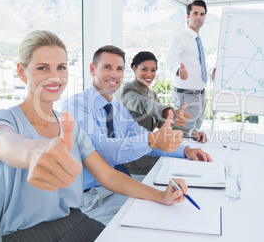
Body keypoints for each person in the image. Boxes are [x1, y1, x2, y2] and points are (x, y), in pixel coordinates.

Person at [0, 30, 188, 241]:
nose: (54, 76)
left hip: (75, 221)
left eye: (61, 67)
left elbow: (108, 175)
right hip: (30, 234)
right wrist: (34, 152)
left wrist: (161, 196)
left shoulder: (69, 124)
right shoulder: (4, 119)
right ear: (22, 72)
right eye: (43, 68)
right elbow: (3, 143)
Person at [61, 45, 212, 225]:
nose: (114, 74)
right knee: (163, 219)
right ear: (93, 69)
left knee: (182, 204)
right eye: (107, 67)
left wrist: (185, 150)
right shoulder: (77, 106)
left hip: (120, 184)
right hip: (94, 196)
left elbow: (143, 136)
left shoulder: (117, 109)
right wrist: (152, 140)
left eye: (119, 69)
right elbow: (99, 149)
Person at [121, 51, 208, 174]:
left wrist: (191, 132)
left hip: (149, 149)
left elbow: (163, 124)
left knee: (185, 160)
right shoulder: (128, 90)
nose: (149, 74)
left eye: (153, 70)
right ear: (134, 69)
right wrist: (170, 112)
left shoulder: (152, 94)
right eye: (144, 69)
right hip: (134, 157)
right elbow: (146, 105)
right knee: (178, 165)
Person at [165, 0, 209, 129]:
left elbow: (196, 67)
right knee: (182, 135)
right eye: (195, 13)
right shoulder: (180, 38)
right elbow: (169, 61)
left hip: (200, 96)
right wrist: (178, 71)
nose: (199, 17)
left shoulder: (197, 40)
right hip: (185, 96)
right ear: (187, 16)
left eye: (202, 14)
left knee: (195, 134)